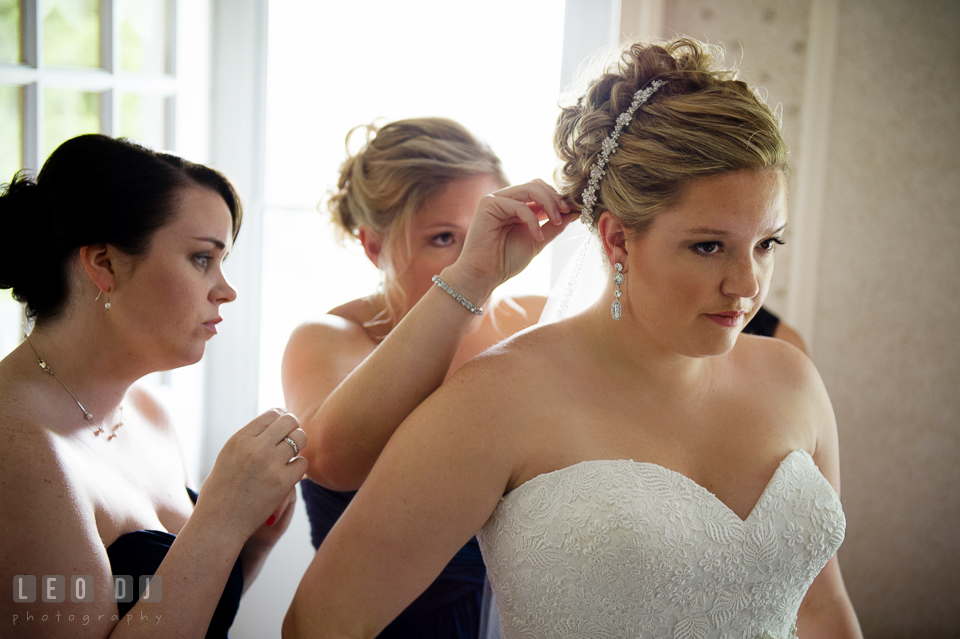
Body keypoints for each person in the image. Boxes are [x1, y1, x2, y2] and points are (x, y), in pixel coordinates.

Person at [283, 37, 863, 638]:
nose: (748, 283)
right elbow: (317, 625)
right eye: (707, 246)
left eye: (767, 243)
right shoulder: (496, 398)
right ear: (615, 240)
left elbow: (822, 608)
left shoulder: (792, 376)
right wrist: (473, 278)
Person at [0, 134, 307, 638]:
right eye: (202, 259)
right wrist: (222, 519)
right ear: (104, 264)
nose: (226, 290)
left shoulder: (147, 412)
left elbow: (184, 613)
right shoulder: (18, 451)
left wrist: (253, 543)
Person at [282, 117, 574, 637]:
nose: (475, 255)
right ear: (373, 246)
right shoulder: (328, 339)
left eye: (485, 231)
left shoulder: (539, 319)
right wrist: (468, 285)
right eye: (444, 238)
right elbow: (332, 460)